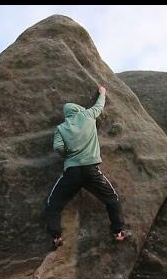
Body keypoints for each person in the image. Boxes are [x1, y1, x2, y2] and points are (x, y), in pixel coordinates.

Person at [45, 85, 125, 249]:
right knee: (112, 199)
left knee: (53, 204)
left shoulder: (61, 128)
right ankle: (117, 232)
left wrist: (68, 154)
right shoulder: (88, 116)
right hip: (91, 170)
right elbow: (98, 106)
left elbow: (58, 147)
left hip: (72, 172)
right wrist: (102, 93)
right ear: (78, 109)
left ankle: (56, 237)